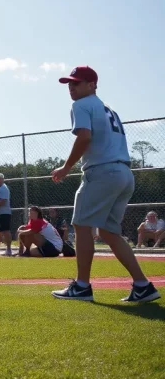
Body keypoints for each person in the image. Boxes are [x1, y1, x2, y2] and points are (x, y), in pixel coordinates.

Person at [50, 66, 159, 302]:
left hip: (101, 172)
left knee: (81, 225)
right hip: (123, 174)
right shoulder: (109, 109)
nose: (71, 87)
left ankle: (81, 286)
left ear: (92, 85)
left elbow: (85, 136)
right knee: (109, 232)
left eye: (76, 83)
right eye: (69, 83)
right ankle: (143, 285)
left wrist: (66, 167)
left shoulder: (81, 105)